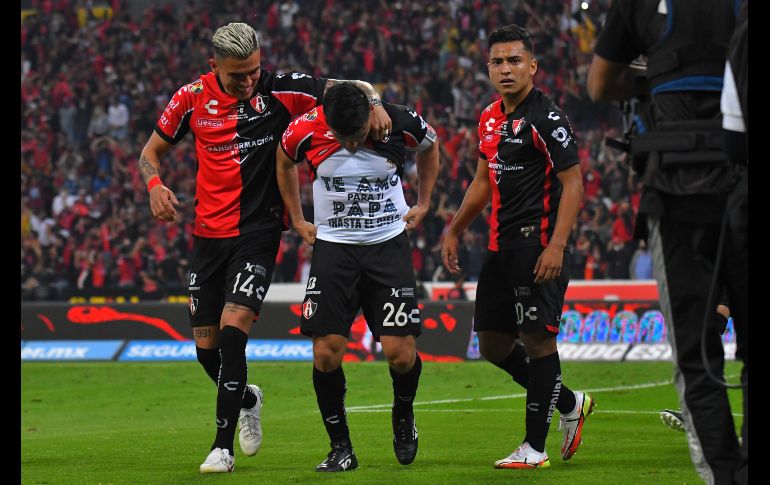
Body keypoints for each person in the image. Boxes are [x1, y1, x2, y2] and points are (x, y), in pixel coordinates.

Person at [138, 22, 392, 474]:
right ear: (214, 66)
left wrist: (371, 102)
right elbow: (149, 153)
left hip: (258, 233)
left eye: (254, 70)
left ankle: (222, 448)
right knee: (206, 349)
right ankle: (248, 397)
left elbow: (353, 86)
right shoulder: (190, 97)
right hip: (207, 236)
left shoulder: (283, 88)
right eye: (238, 75)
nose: (249, 81)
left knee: (234, 330)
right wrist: (154, 184)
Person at [587, 1, 746, 483]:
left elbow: (598, 85)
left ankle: (723, 473)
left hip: (673, 181)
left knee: (695, 356)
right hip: (739, 173)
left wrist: (653, 79)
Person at [441, 24, 592, 470]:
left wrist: (557, 245)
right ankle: (569, 402)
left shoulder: (548, 118)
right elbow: (482, 181)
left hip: (537, 244)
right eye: (497, 62)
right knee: (491, 345)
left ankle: (534, 447)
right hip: (498, 247)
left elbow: (573, 183)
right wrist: (454, 229)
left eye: (514, 61)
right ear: (488, 68)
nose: (505, 69)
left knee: (538, 341)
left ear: (532, 66)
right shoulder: (489, 117)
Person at [276, 82, 439, 471]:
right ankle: (341, 447)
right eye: (341, 137)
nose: (350, 145)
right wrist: (297, 219)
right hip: (334, 248)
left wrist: (425, 201)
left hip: (387, 244)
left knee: (401, 356)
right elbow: (283, 163)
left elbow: (432, 146)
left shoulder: (396, 120)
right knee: (326, 353)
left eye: (357, 135)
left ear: (370, 116)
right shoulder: (305, 128)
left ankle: (403, 414)